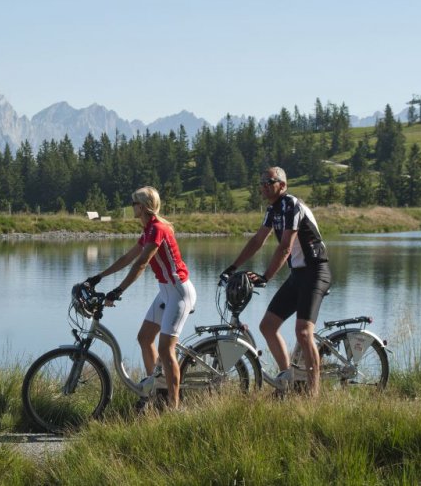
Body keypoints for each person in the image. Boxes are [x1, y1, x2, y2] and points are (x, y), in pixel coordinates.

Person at [220, 166, 331, 397]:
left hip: (316, 271)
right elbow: (257, 241)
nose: (263, 186)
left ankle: (313, 393)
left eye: (269, 182)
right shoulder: (273, 209)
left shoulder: (292, 206)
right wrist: (233, 267)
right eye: (261, 182)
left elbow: (285, 248)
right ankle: (286, 382)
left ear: (282, 184)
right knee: (267, 326)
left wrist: (266, 277)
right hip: (298, 275)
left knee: (303, 332)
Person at [85, 186, 196, 409]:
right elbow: (127, 258)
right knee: (145, 338)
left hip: (179, 292)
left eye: (134, 203)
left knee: (166, 349)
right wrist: (98, 277)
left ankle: (173, 407)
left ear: (143, 207)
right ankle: (155, 392)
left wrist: (119, 291)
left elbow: (142, 263)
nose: (132, 206)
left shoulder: (158, 229)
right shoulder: (147, 230)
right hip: (166, 291)